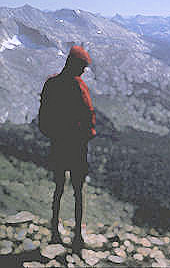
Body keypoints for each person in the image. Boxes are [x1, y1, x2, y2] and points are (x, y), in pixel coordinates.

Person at [38, 45, 96, 254]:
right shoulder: (79, 87)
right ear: (75, 65)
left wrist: (54, 135)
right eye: (82, 67)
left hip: (58, 144)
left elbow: (44, 116)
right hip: (77, 147)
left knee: (59, 188)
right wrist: (86, 136)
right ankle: (77, 236)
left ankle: (55, 229)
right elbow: (88, 116)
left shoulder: (52, 84)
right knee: (78, 191)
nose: (84, 71)